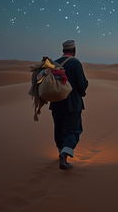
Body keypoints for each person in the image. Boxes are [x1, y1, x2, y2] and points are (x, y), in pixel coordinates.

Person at [49, 40, 88, 170]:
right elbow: (81, 85)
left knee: (59, 129)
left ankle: (60, 152)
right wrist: (82, 90)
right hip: (72, 104)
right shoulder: (75, 63)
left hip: (56, 104)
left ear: (63, 50)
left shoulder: (55, 63)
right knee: (73, 129)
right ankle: (65, 155)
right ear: (74, 50)